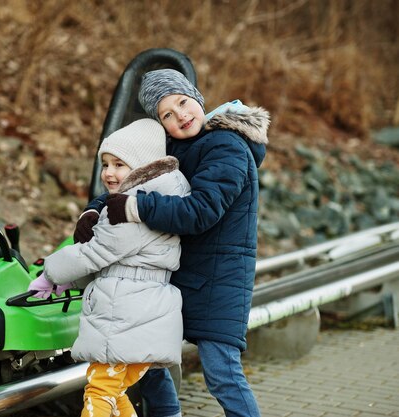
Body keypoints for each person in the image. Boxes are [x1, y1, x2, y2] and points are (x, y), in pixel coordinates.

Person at [76, 68, 270, 417]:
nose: (180, 115)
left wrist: (136, 208)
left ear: (197, 98)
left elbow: (202, 211)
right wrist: (93, 212)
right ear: (160, 122)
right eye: (167, 113)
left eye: (182, 102)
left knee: (221, 371)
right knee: (146, 357)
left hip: (218, 277)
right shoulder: (169, 149)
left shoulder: (227, 146)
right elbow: (127, 180)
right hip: (175, 274)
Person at [28, 118, 191, 417]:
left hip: (127, 311)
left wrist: (51, 274)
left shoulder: (133, 207)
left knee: (100, 390)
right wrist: (70, 281)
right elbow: (111, 260)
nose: (108, 173)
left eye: (119, 164)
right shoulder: (156, 198)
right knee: (113, 391)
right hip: (136, 308)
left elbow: (98, 251)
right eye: (105, 164)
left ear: (141, 166)